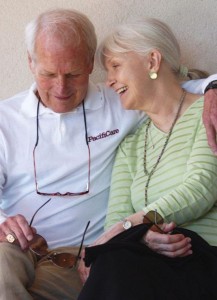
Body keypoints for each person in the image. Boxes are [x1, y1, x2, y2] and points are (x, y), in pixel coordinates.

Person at [0, 9, 216, 300]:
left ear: (89, 65)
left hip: (81, 255)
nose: (61, 87)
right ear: (30, 63)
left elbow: (175, 90)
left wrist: (213, 87)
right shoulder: (5, 119)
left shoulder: (122, 105)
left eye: (73, 74)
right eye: (49, 74)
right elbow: (120, 215)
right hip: (16, 246)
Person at [78, 18, 217, 300]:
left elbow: (201, 187)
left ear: (152, 61)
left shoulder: (209, 112)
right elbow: (116, 217)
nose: (109, 81)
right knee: (114, 261)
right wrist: (141, 236)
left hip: (201, 254)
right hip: (148, 257)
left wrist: (131, 226)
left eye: (116, 66)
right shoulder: (130, 143)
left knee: (115, 261)